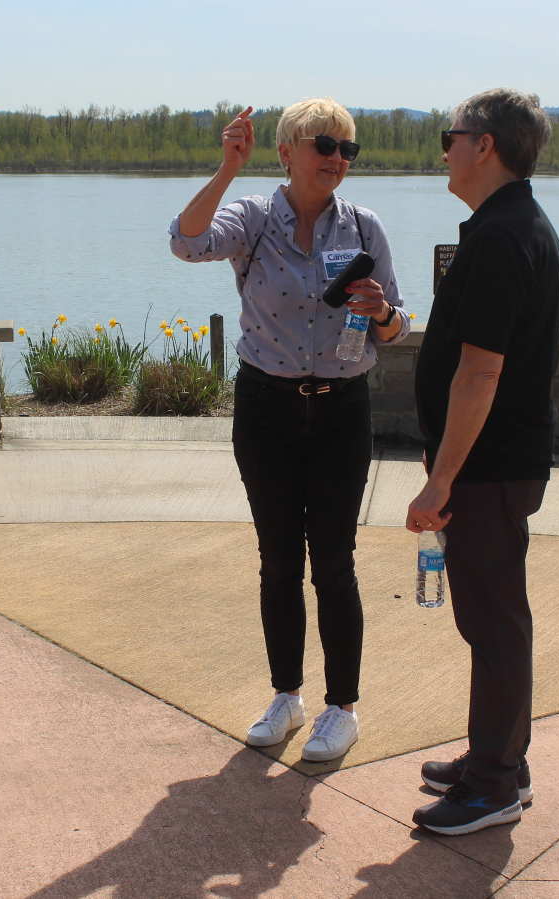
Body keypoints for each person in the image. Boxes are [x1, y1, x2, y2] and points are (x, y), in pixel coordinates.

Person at [169, 98, 409, 761]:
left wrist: (383, 313)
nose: (337, 158)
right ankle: (287, 696)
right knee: (278, 562)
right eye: (324, 144)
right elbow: (185, 241)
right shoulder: (250, 217)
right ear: (287, 151)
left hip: (340, 411)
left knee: (333, 562)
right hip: (266, 409)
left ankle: (343, 707)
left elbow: (398, 326)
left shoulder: (364, 226)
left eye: (347, 150)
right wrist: (224, 168)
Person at [406, 88, 559, 835]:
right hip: (495, 463)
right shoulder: (509, 225)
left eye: (453, 135)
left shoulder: (504, 236)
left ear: (487, 145)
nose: (446, 148)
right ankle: (497, 759)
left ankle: (494, 784)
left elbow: (480, 373)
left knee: (495, 624)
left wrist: (441, 478)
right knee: (494, 619)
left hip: (489, 466)